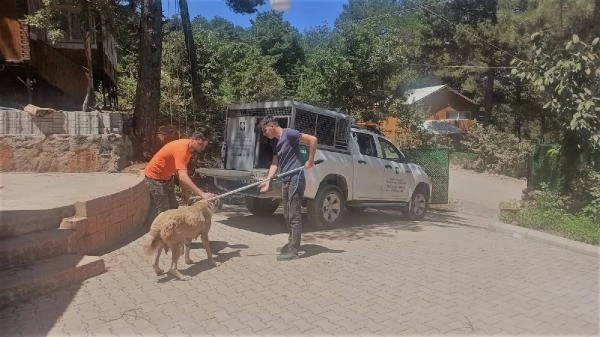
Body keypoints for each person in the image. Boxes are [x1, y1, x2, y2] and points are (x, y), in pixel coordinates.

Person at [258, 117, 318, 261]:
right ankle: (291, 242)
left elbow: (313, 139)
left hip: (296, 178)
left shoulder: (289, 133)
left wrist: (310, 159)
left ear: (271, 126)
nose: (264, 134)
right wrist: (268, 180)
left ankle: (294, 249)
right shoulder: (276, 142)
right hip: (286, 179)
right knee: (286, 213)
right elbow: (275, 162)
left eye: (264, 131)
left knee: (294, 213)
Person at [143, 130, 216, 219]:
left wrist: (185, 194)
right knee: (164, 213)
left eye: (204, 146)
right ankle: (153, 231)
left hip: (167, 178)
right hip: (155, 178)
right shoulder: (182, 150)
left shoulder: (189, 149)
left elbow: (180, 173)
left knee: (174, 207)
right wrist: (202, 194)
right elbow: (183, 177)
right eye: (200, 144)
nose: (202, 148)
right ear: (193, 139)